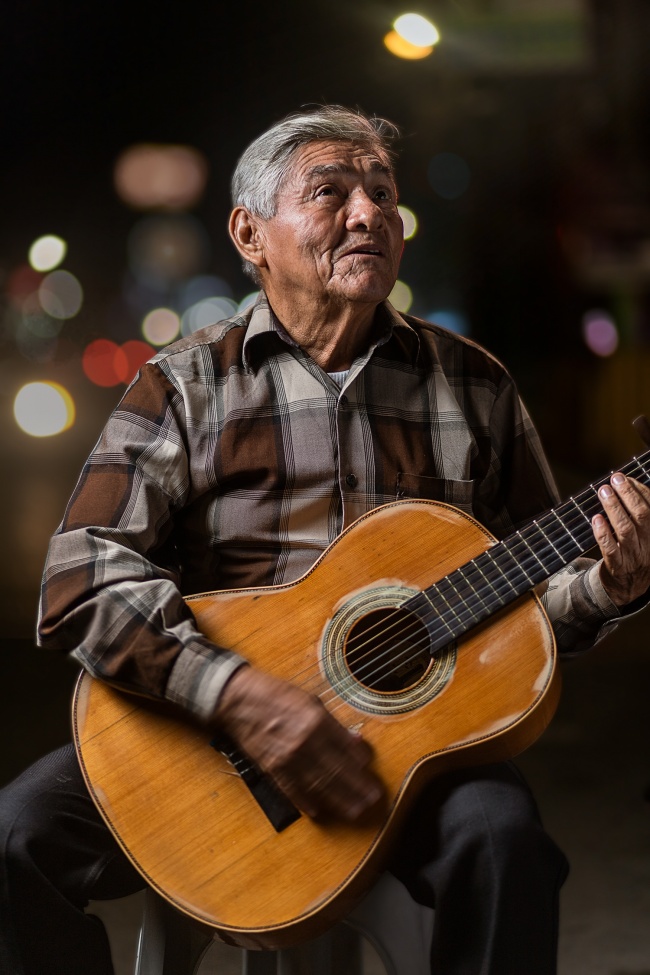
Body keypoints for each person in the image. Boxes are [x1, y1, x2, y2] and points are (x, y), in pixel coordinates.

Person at [2, 105, 650, 975]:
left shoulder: (475, 384)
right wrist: (236, 696)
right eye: (331, 191)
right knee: (15, 836)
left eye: (383, 193)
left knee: (507, 845)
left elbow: (530, 604)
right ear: (250, 232)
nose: (368, 214)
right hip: (197, 743)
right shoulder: (185, 384)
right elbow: (79, 579)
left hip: (411, 761)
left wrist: (609, 584)